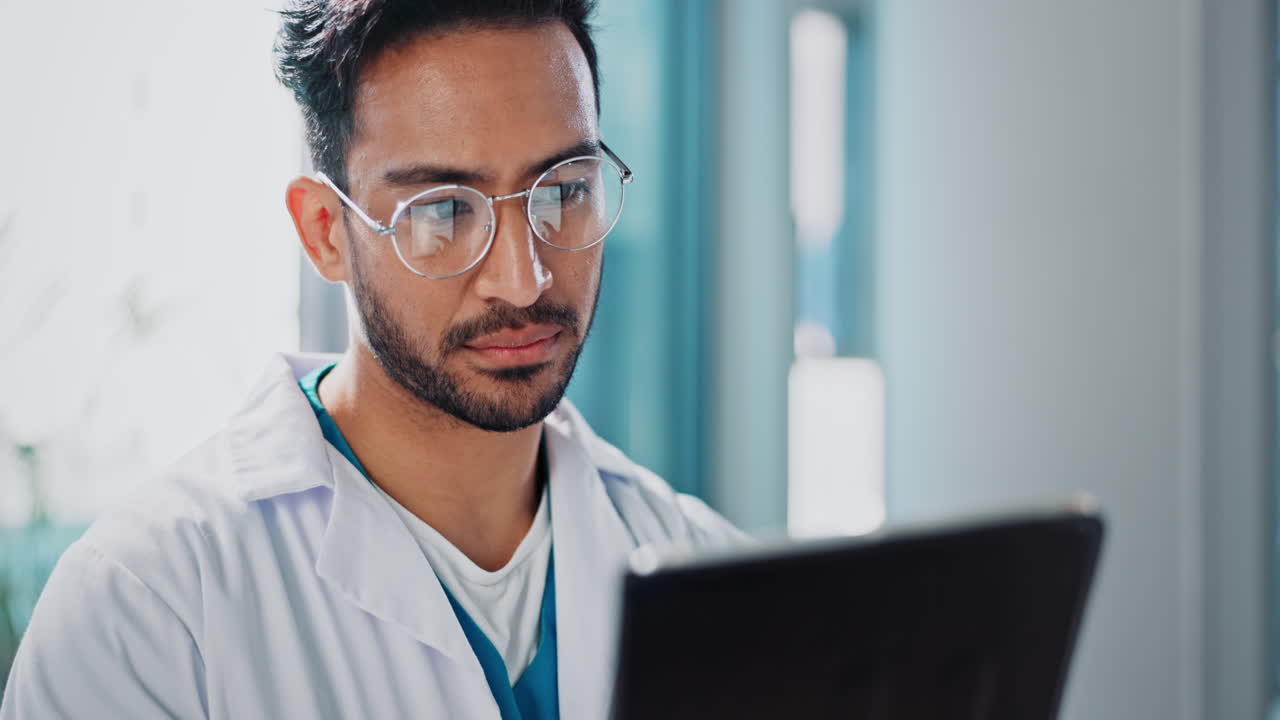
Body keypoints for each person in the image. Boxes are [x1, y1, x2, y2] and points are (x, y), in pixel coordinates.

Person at [0, 1, 744, 717]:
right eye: (445, 211)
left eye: (564, 192)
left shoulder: (713, 572)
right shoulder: (144, 610)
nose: (524, 278)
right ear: (325, 232)